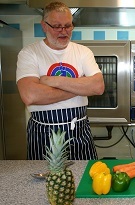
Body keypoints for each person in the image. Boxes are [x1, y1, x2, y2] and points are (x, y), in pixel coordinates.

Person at [16, 1, 104, 160]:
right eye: (57, 26)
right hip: (43, 135)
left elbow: (98, 87)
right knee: (44, 184)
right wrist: (80, 85)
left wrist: (53, 81)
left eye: (68, 26)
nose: (63, 31)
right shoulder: (29, 53)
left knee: (85, 179)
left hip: (80, 131)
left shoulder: (83, 51)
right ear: (44, 26)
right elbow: (30, 95)